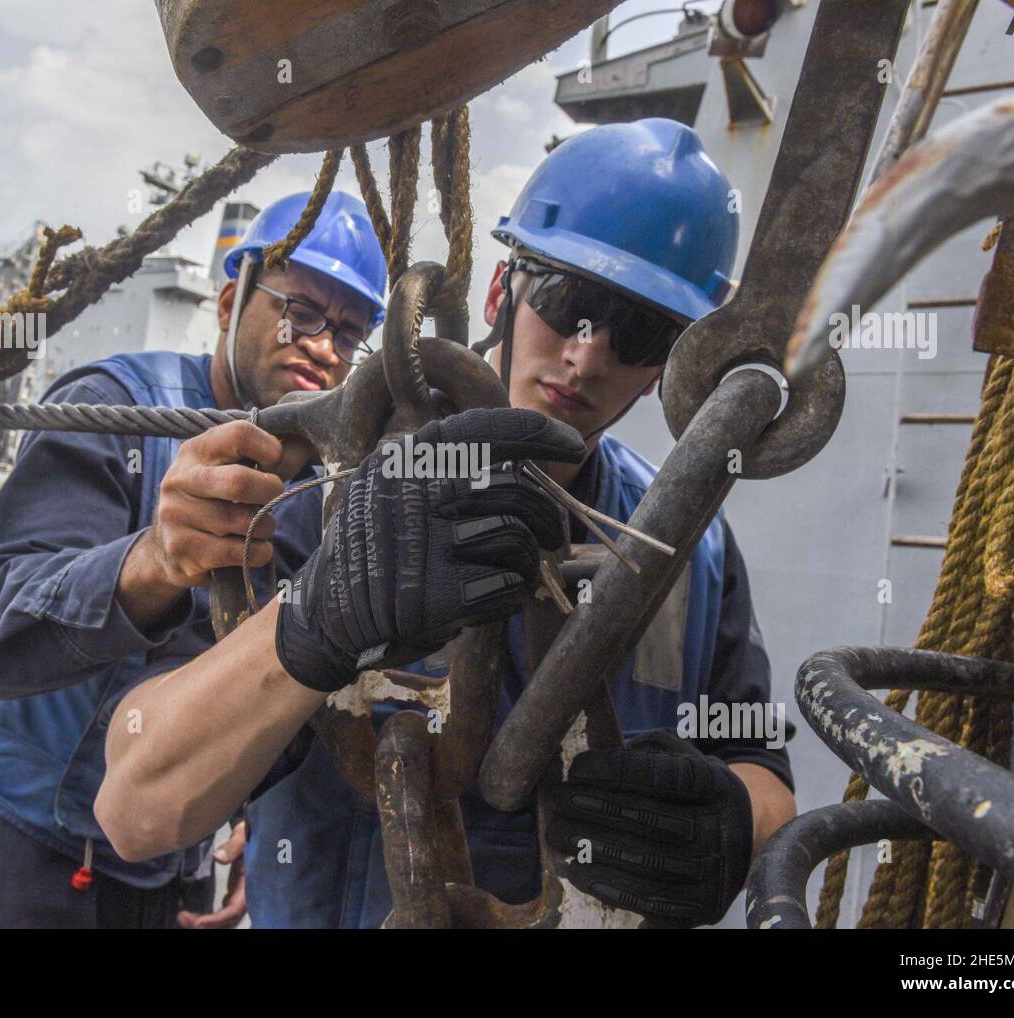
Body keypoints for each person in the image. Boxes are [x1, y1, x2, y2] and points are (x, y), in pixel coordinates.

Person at [96, 119, 797, 929]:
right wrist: (311, 626)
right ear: (504, 291)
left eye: (638, 332)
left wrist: (735, 826)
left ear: (674, 362)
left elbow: (759, 760)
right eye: (569, 303)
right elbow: (137, 808)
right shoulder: (337, 498)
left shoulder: (693, 545)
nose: (586, 355)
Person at [0, 190, 388, 929]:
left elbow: (278, 686)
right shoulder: (117, 407)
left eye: (349, 332)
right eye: (303, 312)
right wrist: (153, 561)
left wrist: (260, 820)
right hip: (12, 855)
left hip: (171, 879)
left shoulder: (322, 490)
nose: (323, 345)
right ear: (230, 304)